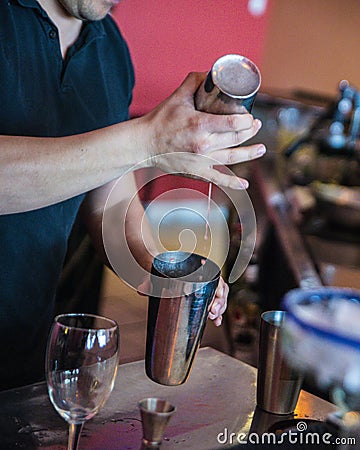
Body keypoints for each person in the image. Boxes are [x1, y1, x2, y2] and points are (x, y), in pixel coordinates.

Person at [0, 0, 266, 390]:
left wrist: (166, 269)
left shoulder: (109, 49)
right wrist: (148, 139)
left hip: (24, 358)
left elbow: (110, 201)